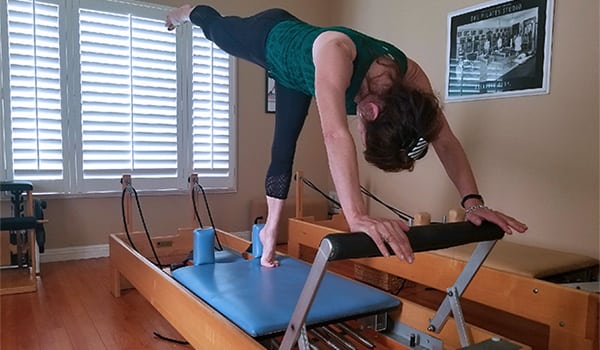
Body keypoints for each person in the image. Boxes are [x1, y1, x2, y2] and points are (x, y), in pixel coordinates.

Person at [165, 5, 528, 268]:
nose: (359, 131)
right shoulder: (337, 54)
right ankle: (188, 11)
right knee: (217, 31)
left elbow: (445, 141)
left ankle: (268, 233)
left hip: (300, 77)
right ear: (369, 113)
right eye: (366, 136)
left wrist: (473, 202)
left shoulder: (411, 87)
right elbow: (335, 134)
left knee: (283, 148)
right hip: (271, 38)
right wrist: (356, 216)